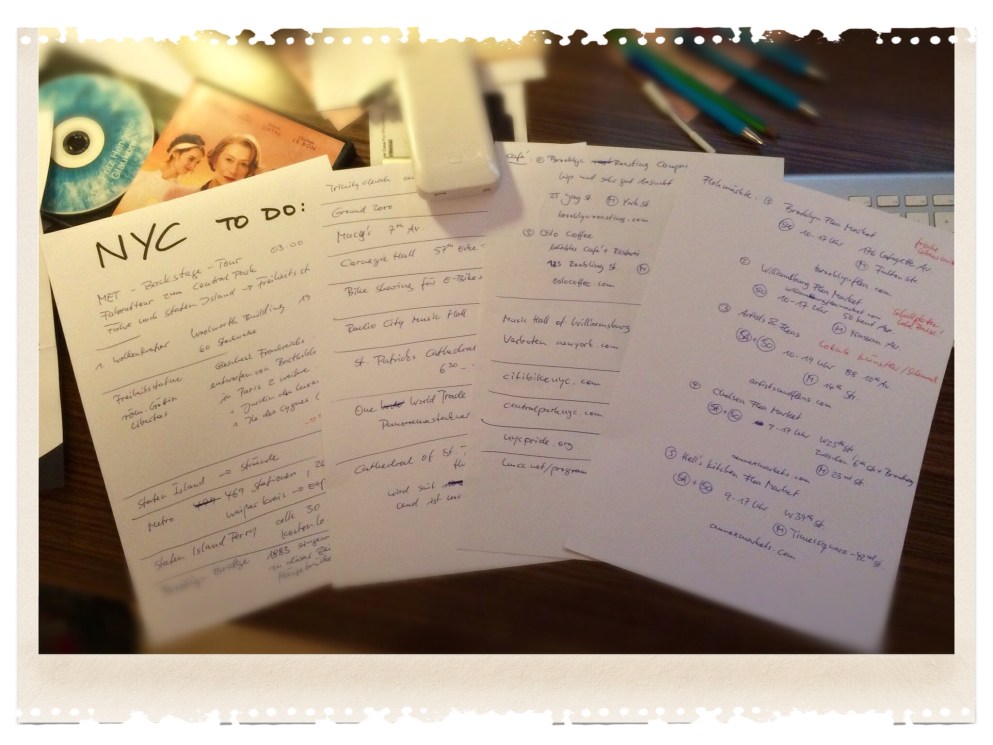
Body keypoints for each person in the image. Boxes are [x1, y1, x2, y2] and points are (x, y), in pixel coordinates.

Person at [115, 133, 205, 213]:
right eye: (191, 159)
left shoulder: (176, 197)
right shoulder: (138, 176)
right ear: (176, 153)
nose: (193, 166)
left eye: (197, 163)